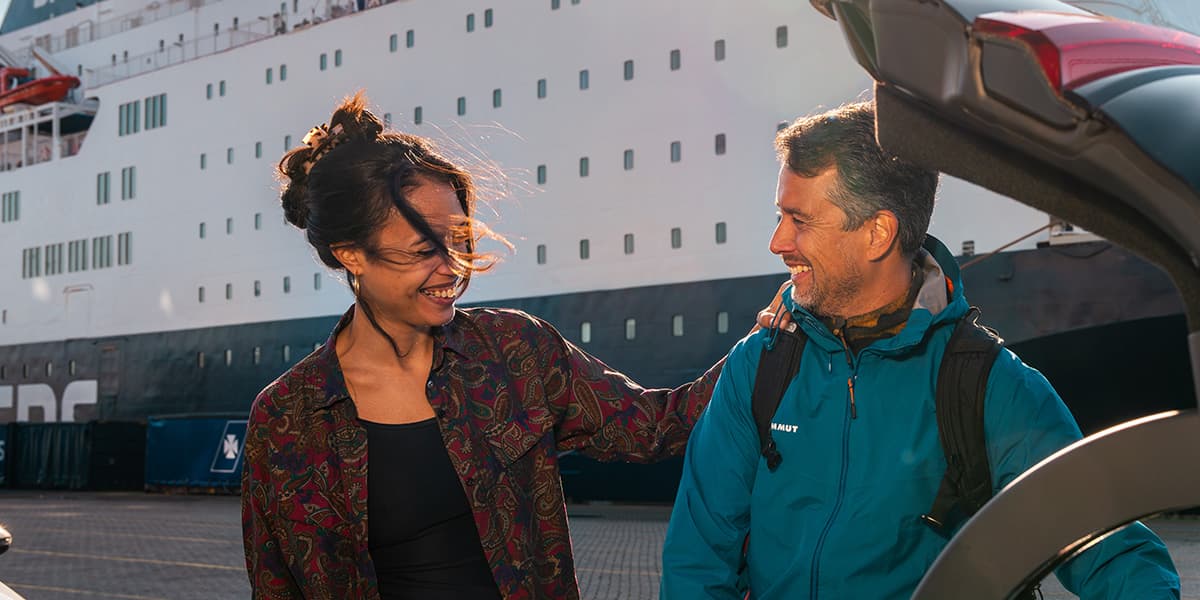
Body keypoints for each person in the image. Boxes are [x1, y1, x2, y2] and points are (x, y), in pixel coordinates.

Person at [241, 92, 772, 599]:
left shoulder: (514, 351)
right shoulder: (288, 416)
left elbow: (658, 427)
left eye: (458, 239)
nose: (452, 267)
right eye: (424, 249)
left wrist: (766, 340)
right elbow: (275, 585)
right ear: (351, 254)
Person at [659, 100, 1180, 599]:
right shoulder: (759, 367)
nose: (778, 242)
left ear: (877, 234)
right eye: (780, 216)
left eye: (800, 220)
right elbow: (698, 559)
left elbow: (1115, 556)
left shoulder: (987, 386)